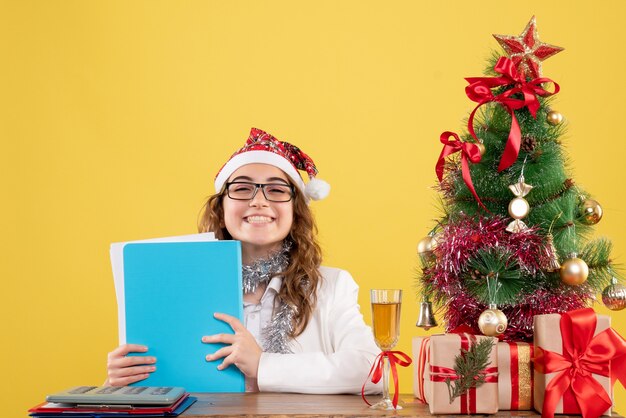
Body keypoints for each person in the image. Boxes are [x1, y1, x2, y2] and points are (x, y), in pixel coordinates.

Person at [105, 128, 381, 394]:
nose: (259, 201)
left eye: (276, 190)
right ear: (221, 206)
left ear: (296, 210)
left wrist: (263, 366)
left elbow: (373, 372)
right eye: (242, 188)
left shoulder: (332, 286)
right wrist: (120, 385)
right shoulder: (179, 283)